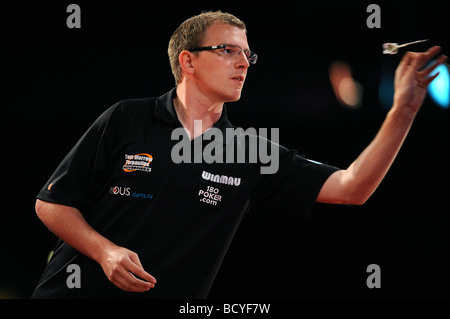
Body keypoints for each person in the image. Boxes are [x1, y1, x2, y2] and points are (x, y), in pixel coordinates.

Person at [31, 11, 447, 298]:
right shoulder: (126, 118)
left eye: (248, 54)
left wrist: (403, 111)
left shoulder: (248, 151)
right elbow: (51, 203)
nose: (244, 63)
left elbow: (352, 187)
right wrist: (105, 251)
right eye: (228, 50)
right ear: (188, 61)